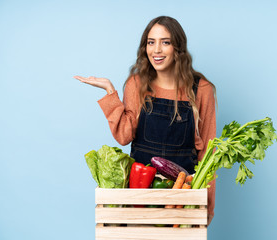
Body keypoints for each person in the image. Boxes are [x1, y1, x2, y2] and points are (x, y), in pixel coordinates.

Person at [74, 16, 217, 225]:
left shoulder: (201, 90)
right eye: (151, 42)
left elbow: (209, 155)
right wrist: (110, 92)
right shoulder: (136, 84)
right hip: (139, 198)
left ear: (178, 48)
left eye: (165, 42)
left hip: (183, 200)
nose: (156, 50)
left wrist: (207, 207)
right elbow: (124, 136)